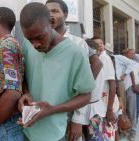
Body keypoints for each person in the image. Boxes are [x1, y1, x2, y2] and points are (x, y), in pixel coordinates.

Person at [18, 3, 95, 141]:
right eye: (30, 40)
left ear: (51, 23)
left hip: (55, 134)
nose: (35, 44)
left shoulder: (75, 53)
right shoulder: (27, 45)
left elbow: (86, 95)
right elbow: (23, 75)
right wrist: (26, 92)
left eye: (39, 37)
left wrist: (52, 109)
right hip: (27, 130)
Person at [45, 1, 103, 140]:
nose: (50, 15)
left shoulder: (77, 43)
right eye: (47, 12)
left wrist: (77, 118)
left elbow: (92, 72)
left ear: (65, 15)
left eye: (55, 11)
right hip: (45, 112)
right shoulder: (39, 41)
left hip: (68, 111)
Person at [0, 7, 25, 141]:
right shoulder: (11, 44)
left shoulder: (5, 47)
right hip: (8, 123)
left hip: (5, 126)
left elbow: (12, 93)